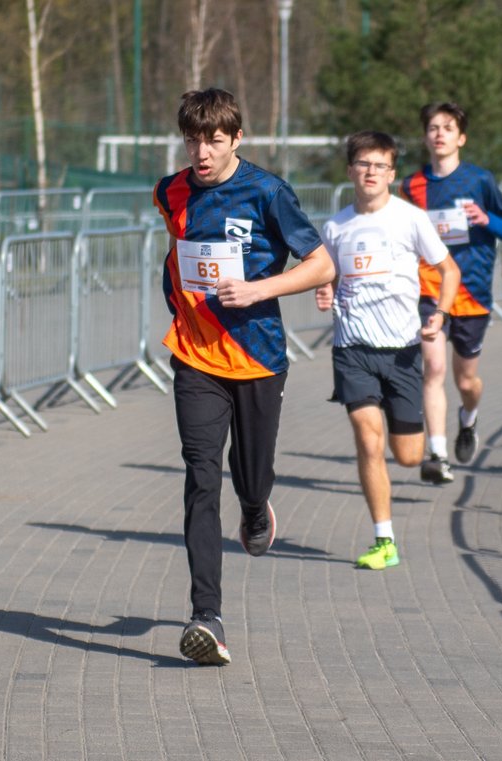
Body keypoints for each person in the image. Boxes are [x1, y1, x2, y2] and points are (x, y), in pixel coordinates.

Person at [153, 88, 335, 665]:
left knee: (249, 475)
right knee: (200, 475)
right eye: (192, 139)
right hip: (196, 356)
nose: (202, 152)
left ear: (236, 139)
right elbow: (177, 249)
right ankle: (207, 615)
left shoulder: (267, 192)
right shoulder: (170, 191)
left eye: (213, 140)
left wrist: (258, 288)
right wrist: (181, 299)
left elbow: (321, 263)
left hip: (257, 355)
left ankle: (256, 508)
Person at [316, 131, 460, 568]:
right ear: (350, 171)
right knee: (367, 437)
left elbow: (447, 270)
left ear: (391, 173)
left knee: (408, 455)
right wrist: (325, 289)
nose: (371, 172)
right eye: (363, 164)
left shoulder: (410, 219)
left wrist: (440, 314)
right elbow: (328, 275)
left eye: (380, 165)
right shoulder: (336, 226)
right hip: (353, 348)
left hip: (401, 351)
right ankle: (384, 540)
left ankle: (423, 452)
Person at [401, 102, 502, 484]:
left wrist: (487, 220)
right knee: (432, 368)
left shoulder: (480, 181)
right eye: (433, 127)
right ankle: (437, 454)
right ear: (425, 136)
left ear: (460, 137)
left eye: (447, 128)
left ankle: (468, 419)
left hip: (472, 291)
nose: (439, 133)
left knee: (466, 380)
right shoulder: (412, 186)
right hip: (429, 290)